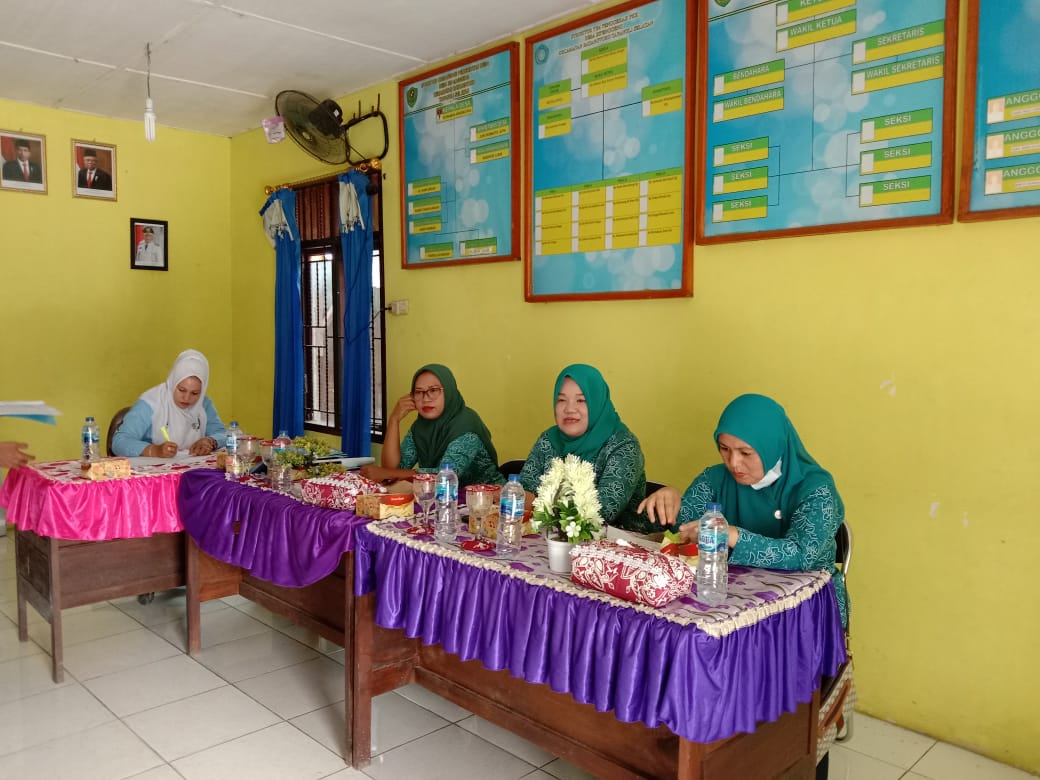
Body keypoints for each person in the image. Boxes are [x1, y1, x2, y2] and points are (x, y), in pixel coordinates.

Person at [640, 393, 847, 625]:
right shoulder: (714, 479)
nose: (733, 463)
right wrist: (669, 502)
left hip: (805, 610)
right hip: (730, 605)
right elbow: (681, 531)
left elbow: (802, 556)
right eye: (724, 449)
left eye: (746, 453)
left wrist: (733, 535)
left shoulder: (816, 490)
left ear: (772, 446)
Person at [518, 364, 650, 532]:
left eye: (581, 400)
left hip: (621, 542)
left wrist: (536, 503)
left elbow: (600, 513)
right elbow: (523, 492)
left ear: (597, 402)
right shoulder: (549, 440)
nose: (569, 409)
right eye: (561, 400)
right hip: (549, 538)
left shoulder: (624, 447)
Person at [360, 364, 502, 487]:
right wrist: (394, 420)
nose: (425, 398)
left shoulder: (466, 426)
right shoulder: (420, 427)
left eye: (433, 390)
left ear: (449, 392)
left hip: (490, 501)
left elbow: (444, 477)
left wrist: (388, 473)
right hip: (443, 498)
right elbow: (393, 468)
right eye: (419, 392)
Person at [111, 349, 226, 457]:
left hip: (191, 467)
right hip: (152, 470)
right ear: (173, 382)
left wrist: (211, 441)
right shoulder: (151, 402)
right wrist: (154, 450)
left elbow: (223, 434)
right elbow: (119, 441)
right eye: (181, 390)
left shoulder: (204, 404)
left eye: (194, 393)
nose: (186, 398)